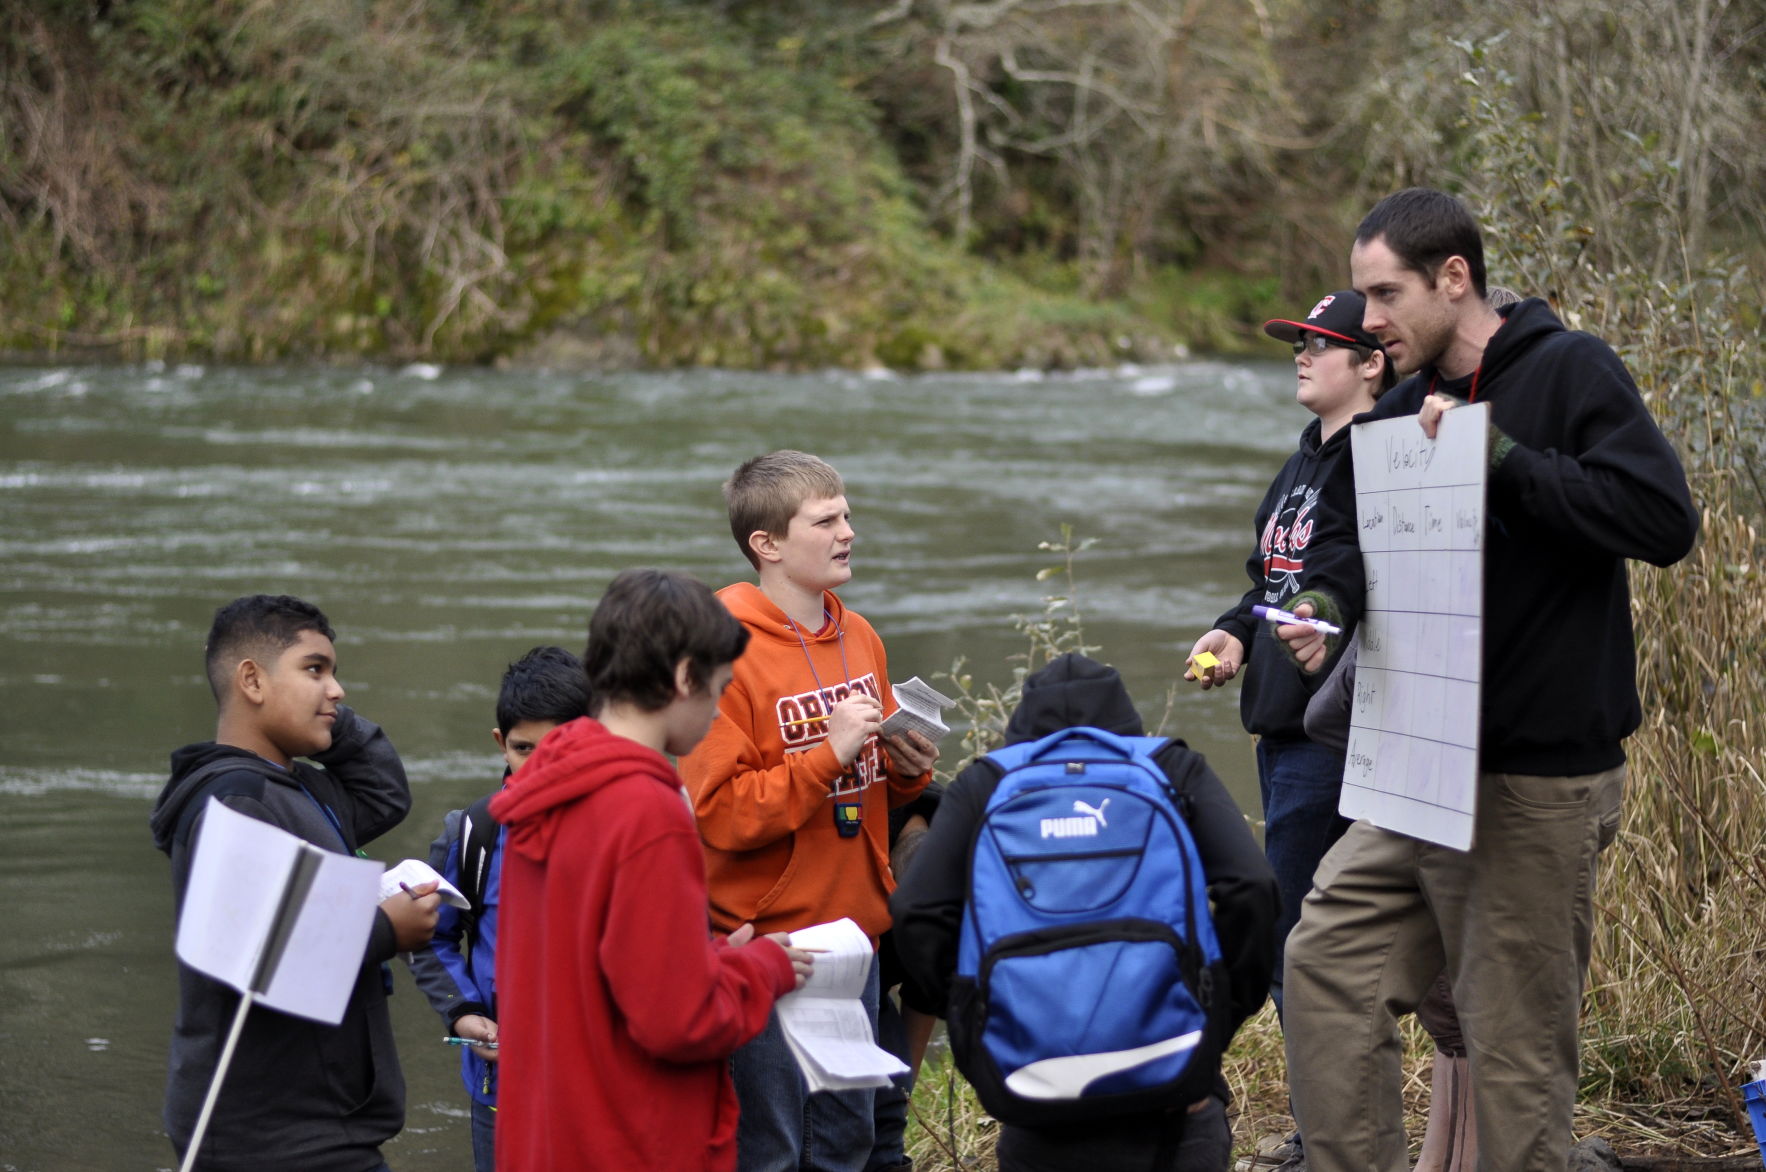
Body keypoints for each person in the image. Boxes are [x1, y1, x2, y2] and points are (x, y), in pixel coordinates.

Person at [1272, 188, 1700, 1172]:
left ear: (1451, 278)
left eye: (1382, 293)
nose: (1365, 318)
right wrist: (1324, 611)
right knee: (1324, 962)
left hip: (1532, 777)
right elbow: (1340, 541)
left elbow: (1660, 521)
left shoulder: (1568, 370)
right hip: (1410, 766)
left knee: (1510, 1053)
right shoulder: (1385, 404)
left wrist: (1500, 459)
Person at [889, 653, 1278, 1171]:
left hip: (1033, 1092)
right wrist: (1213, 1028)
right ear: (1125, 722)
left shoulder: (985, 783)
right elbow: (1252, 888)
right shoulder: (1169, 767)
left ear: (1021, 729)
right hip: (1172, 1091)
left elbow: (917, 908)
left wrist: (973, 1023)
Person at [489, 569, 813, 1171]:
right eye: (719, 689)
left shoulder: (546, 786)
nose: (717, 712)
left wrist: (708, 959)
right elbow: (679, 1023)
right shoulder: (647, 811)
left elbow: (589, 970)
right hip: (629, 1140)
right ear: (686, 677)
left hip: (550, 1136)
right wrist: (762, 968)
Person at [679, 450, 938, 1172]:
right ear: (767, 544)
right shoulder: (718, 652)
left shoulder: (862, 638)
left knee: (852, 1149)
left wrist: (905, 776)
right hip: (766, 950)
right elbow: (721, 814)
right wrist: (826, 755)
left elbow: (866, 791)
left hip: (855, 944)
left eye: (847, 514)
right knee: (771, 1154)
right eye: (825, 521)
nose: (847, 531)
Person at [149, 594, 440, 1172]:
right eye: (315, 670)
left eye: (333, 672)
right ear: (251, 681)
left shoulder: (298, 786)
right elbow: (260, 951)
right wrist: (385, 929)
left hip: (323, 1126)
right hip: (268, 1137)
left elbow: (384, 792)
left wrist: (321, 712)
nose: (337, 689)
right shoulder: (232, 801)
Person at [1186, 287, 1395, 1017]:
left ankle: (1326, 1134)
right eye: (1297, 344)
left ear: (1371, 365)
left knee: (1301, 940)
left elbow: (1346, 583)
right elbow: (1268, 580)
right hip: (1276, 725)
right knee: (1291, 933)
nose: (1301, 357)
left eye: (1318, 345)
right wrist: (1235, 631)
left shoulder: (1377, 461)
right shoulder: (1304, 460)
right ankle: (1322, 1129)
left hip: (1329, 732)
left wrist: (1316, 616)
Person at [406, 645, 589, 1172]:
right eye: (524, 748)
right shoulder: (475, 833)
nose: (541, 766)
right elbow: (429, 936)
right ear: (500, 744)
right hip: (504, 1090)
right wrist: (463, 1012)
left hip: (605, 1085)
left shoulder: (632, 828)